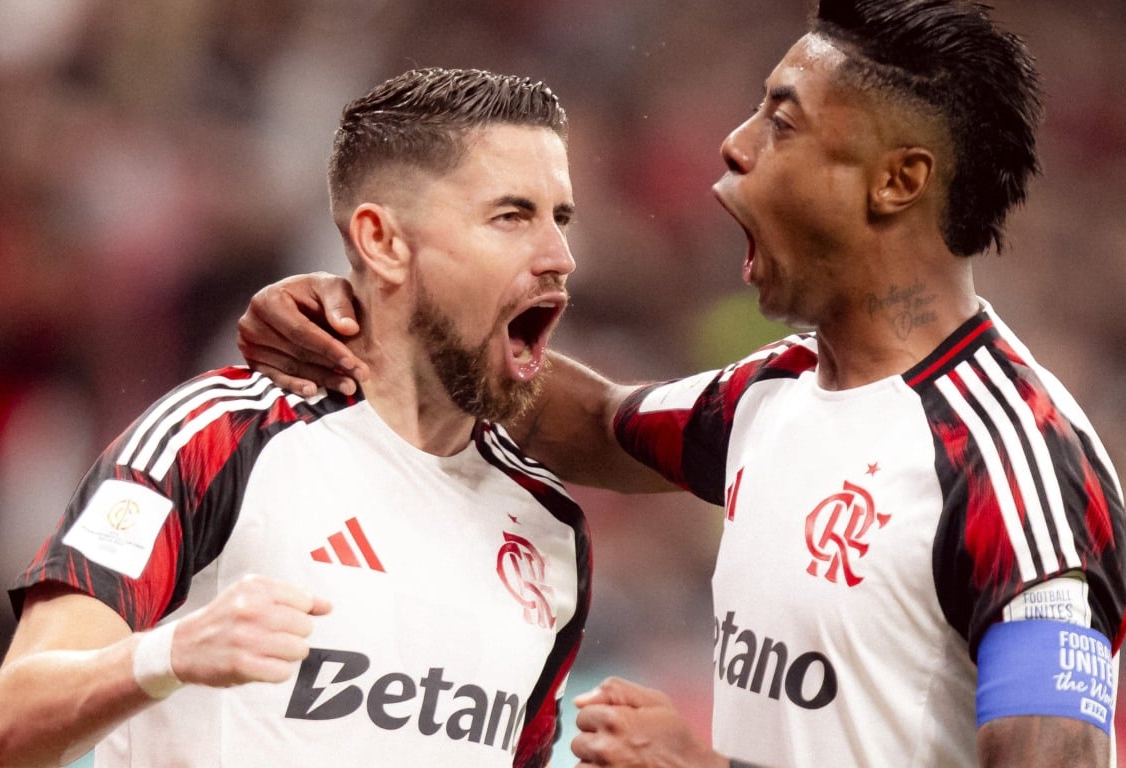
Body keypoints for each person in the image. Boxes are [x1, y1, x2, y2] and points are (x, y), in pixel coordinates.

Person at [235, 2, 1126, 767]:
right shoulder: (772, 396)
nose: (735, 147)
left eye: (782, 121)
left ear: (898, 180)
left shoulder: (1014, 472)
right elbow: (593, 422)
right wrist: (381, 316)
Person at [0, 67, 591, 768]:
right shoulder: (217, 437)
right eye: (511, 216)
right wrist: (170, 653)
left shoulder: (549, 526)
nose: (559, 258)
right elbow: (10, 723)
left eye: (560, 218)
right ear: (383, 242)